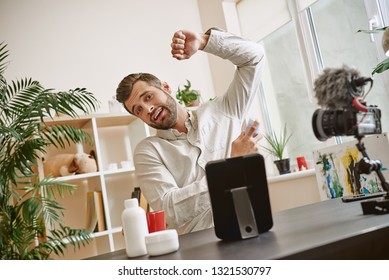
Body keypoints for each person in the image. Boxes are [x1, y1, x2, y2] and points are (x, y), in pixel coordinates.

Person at [116, 27, 265, 235]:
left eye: (148, 97)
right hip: (202, 249)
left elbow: (255, 56)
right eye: (138, 110)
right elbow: (168, 212)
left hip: (254, 227)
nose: (148, 109)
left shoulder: (224, 110)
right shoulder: (148, 151)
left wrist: (205, 42)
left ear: (166, 87)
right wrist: (230, 167)